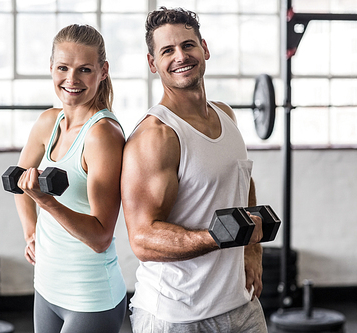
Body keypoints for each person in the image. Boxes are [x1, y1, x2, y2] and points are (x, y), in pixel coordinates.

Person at [121, 7, 267, 333]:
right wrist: (217, 237)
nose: (180, 56)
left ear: (205, 48)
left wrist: (251, 251)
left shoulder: (226, 115)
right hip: (176, 316)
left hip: (242, 305)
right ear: (152, 63)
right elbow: (143, 239)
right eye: (167, 50)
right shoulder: (155, 136)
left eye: (188, 45)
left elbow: (242, 180)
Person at [13, 24, 127, 333]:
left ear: (103, 71)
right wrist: (30, 232)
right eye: (63, 67)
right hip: (47, 286)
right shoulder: (49, 122)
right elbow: (19, 183)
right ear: (51, 68)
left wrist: (46, 201)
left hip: (89, 296)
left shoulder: (102, 135)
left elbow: (101, 237)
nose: (71, 80)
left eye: (84, 70)